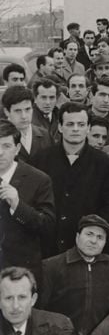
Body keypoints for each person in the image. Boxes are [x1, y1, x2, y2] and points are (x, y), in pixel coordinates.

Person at [31, 102, 109, 256]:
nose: (75, 129)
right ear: (60, 127)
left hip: (86, 247)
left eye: (81, 124)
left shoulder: (103, 162)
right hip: (47, 244)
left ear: (88, 128)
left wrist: (94, 230)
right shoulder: (41, 159)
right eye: (70, 124)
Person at [39, 214, 109, 335]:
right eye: (89, 234)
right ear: (77, 237)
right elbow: (40, 311)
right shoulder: (51, 266)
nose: (94, 241)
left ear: (105, 243)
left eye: (100, 237)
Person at [0, 120, 55, 285]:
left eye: (6, 146)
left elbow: (48, 225)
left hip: (21, 271)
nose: (0, 152)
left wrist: (18, 205)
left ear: (17, 149)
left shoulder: (38, 179)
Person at [1, 85, 51, 163]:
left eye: (27, 109)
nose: (24, 116)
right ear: (7, 112)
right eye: (18, 111)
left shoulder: (45, 135)